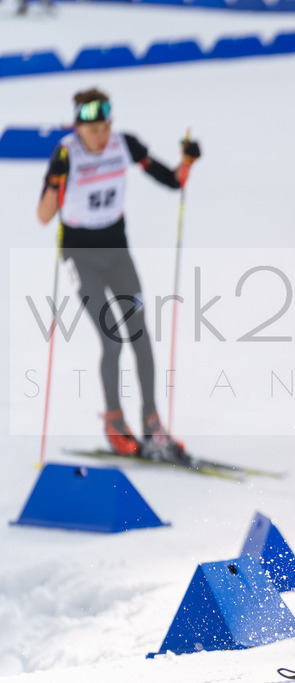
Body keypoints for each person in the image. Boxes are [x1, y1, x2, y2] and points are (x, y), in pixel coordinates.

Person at [36, 87, 200, 461]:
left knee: (140, 336)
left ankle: (152, 422)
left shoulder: (124, 145)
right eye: (92, 129)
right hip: (81, 257)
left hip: (117, 252)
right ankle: (115, 422)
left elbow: (172, 180)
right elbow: (44, 216)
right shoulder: (65, 153)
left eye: (105, 127)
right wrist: (57, 182)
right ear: (78, 128)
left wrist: (187, 161)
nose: (100, 135)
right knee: (112, 341)